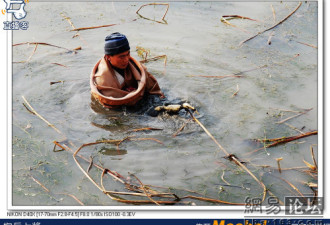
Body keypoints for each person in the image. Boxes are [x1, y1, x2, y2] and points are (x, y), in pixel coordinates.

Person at [91, 32, 165, 109]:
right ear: (109, 57)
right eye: (121, 57)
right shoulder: (102, 79)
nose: (126, 59)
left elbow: (152, 87)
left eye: (128, 54)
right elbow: (112, 104)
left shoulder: (135, 67)